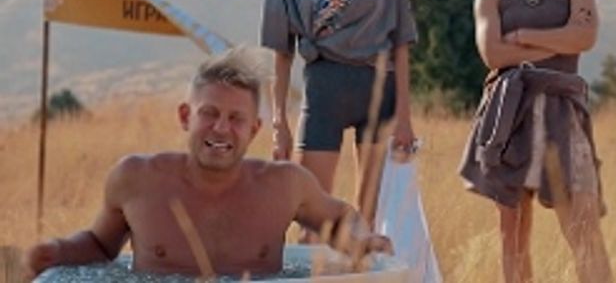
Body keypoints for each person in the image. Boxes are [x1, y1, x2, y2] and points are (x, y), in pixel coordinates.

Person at [23, 48, 392, 279]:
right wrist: (59, 251)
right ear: (186, 116)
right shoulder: (137, 179)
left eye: (236, 118)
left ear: (254, 129)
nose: (221, 128)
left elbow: (340, 218)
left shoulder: (285, 185)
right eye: (209, 113)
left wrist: (363, 240)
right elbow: (100, 245)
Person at [459, 0, 612, 283]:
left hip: (562, 111)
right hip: (508, 113)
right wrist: (558, 41)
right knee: (512, 236)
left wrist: (524, 37)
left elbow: (585, 36)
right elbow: (493, 54)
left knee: (584, 231)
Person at [260, 0, 418, 228]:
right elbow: (280, 52)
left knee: (373, 221)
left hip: (378, 89)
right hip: (323, 87)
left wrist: (405, 118)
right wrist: (280, 123)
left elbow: (401, 42)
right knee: (310, 216)